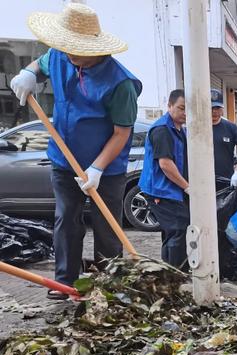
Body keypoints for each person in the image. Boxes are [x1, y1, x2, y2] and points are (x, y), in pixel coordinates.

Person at [9, 3, 141, 299]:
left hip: (106, 170)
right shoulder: (60, 55)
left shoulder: (120, 84)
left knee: (107, 226)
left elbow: (122, 134)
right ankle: (65, 282)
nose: (69, 55)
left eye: (75, 50)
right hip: (63, 160)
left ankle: (108, 285)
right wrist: (27, 73)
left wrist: (96, 168)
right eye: (65, 48)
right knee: (66, 219)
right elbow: (40, 65)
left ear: (94, 47)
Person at [138, 90, 189, 269]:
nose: (184, 113)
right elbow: (166, 164)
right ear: (169, 106)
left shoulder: (179, 129)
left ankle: (168, 270)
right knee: (179, 228)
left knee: (172, 231)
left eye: (187, 109)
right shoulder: (162, 130)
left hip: (172, 188)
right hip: (161, 189)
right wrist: (187, 187)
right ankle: (176, 273)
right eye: (181, 108)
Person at [211, 88, 237, 188]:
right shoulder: (198, 128)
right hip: (202, 182)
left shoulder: (230, 127)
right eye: (211, 108)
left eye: (217, 108)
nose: (214, 111)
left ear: (222, 108)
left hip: (226, 183)